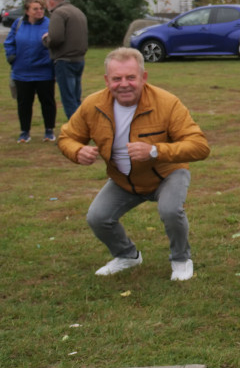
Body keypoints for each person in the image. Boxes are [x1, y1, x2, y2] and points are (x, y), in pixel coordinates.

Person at [58, 48, 210, 281]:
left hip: (167, 174)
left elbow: (199, 146)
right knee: (97, 217)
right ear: (107, 80)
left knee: (170, 210)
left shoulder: (167, 103)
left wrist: (154, 150)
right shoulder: (93, 105)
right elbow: (66, 137)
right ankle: (127, 255)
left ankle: (181, 259)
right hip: (123, 179)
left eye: (131, 77)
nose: (124, 84)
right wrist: (77, 151)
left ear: (144, 78)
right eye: (117, 79)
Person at [5, 0, 57, 143]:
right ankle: (24, 132)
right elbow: (9, 42)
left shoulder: (50, 24)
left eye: (41, 8)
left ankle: (49, 130)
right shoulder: (19, 23)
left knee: (47, 102)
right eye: (35, 9)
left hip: (44, 72)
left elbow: (56, 44)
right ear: (27, 11)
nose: (39, 11)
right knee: (24, 103)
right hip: (21, 72)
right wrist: (11, 56)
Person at [42, 0, 88, 119]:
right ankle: (82, 127)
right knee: (76, 97)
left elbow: (56, 38)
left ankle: (75, 131)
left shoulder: (59, 13)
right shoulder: (77, 11)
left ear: (51, 1)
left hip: (64, 60)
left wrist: (46, 39)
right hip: (79, 59)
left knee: (68, 99)